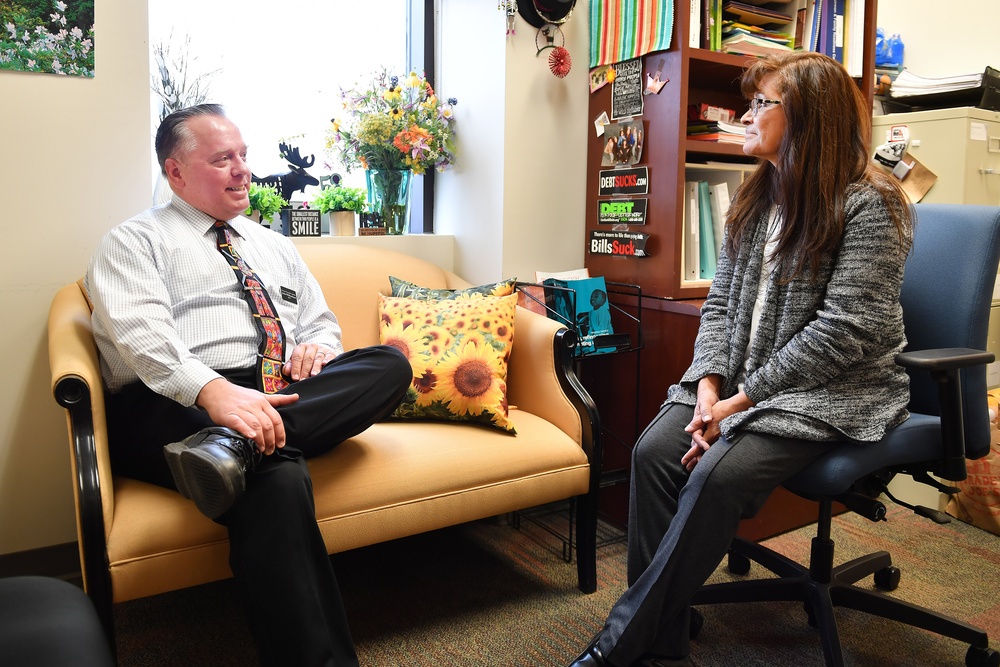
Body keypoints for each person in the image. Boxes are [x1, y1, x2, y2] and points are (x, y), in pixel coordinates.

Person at [566, 51, 913, 667]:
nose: (745, 117)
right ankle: (664, 648)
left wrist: (737, 403)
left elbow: (843, 334)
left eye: (761, 104)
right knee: (652, 453)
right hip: (740, 381)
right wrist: (707, 385)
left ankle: (621, 646)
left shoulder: (872, 204)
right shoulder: (758, 196)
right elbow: (721, 305)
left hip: (830, 390)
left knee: (716, 475)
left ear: (807, 116)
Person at [86, 104, 412, 667]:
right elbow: (142, 339)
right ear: (176, 171)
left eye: (243, 156)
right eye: (222, 159)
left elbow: (319, 320)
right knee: (277, 480)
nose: (242, 170)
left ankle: (233, 446)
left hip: (276, 388)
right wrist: (215, 393)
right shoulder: (133, 241)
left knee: (388, 363)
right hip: (171, 398)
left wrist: (318, 349)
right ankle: (237, 439)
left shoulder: (273, 244)